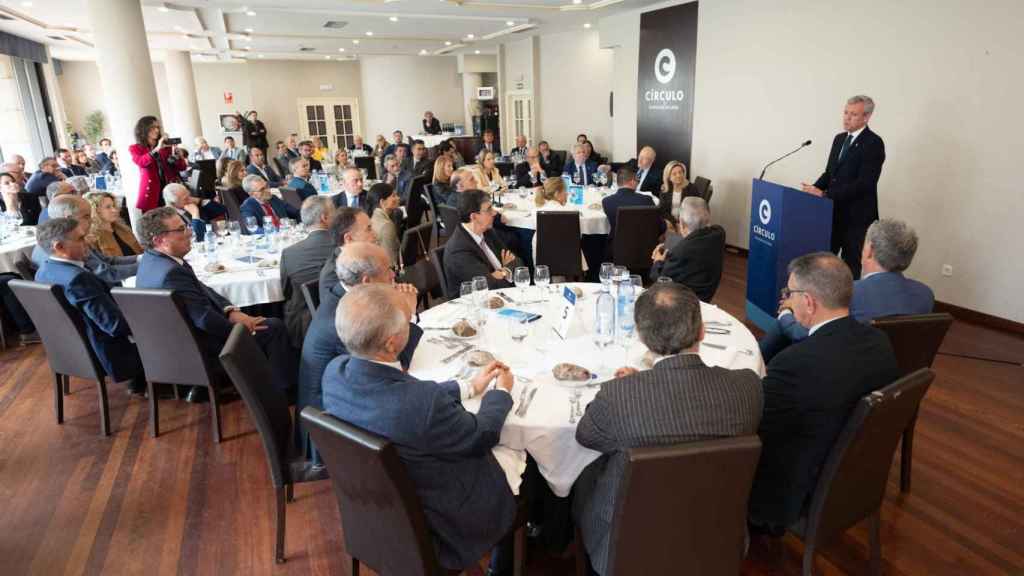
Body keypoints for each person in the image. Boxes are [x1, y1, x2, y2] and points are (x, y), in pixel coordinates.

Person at [322, 282, 516, 573]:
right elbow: (480, 435)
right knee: (520, 455)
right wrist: (501, 394)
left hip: (374, 507)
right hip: (442, 519)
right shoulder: (422, 404)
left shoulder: (335, 373)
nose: (411, 326)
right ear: (391, 343)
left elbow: (397, 393)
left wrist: (467, 386)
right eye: (408, 322)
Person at [573, 282, 762, 575]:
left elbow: (585, 435)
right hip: (718, 534)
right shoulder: (748, 387)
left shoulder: (619, 397)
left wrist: (639, 385)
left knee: (581, 475)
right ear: (702, 331)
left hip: (628, 543)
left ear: (641, 336)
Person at [748, 252, 899, 533]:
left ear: (808, 302)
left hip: (795, 490)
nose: (788, 300)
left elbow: (753, 421)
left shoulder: (795, 364)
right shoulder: (879, 342)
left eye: (790, 293)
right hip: (854, 475)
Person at [134, 206, 296, 401]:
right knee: (274, 327)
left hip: (177, 345)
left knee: (256, 319)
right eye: (180, 230)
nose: (189, 232)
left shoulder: (153, 262)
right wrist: (239, 329)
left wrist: (231, 311)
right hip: (202, 349)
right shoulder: (171, 272)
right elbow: (204, 320)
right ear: (159, 240)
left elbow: (201, 288)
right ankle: (284, 393)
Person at [298, 243, 421, 464]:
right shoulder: (349, 321)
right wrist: (406, 315)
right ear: (367, 281)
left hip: (343, 400)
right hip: (335, 430)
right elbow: (394, 366)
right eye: (388, 270)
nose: (394, 274)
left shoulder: (348, 297)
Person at [758, 218, 934, 361]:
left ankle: (752, 369)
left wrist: (787, 314)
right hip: (890, 376)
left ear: (870, 251)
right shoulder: (926, 295)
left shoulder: (848, 293)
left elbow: (811, 337)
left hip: (837, 371)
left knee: (786, 322)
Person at [34, 217, 146, 394]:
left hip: (72, 350)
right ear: (59, 247)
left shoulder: (43, 271)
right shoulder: (77, 278)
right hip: (109, 352)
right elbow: (114, 326)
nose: (87, 242)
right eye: (80, 239)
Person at [802, 95, 886, 279]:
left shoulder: (873, 143)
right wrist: (812, 190)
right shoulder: (839, 139)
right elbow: (830, 173)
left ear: (866, 117)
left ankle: (852, 306)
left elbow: (865, 183)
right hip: (832, 214)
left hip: (857, 219)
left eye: (853, 114)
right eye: (846, 112)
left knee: (852, 268)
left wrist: (825, 194)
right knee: (823, 262)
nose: (847, 118)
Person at [31, 195, 138, 285]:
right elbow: (108, 274)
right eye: (86, 216)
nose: (91, 220)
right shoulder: (71, 247)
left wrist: (140, 259)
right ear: (69, 218)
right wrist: (146, 266)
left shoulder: (49, 241)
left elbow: (107, 261)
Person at [280, 196, 336, 347]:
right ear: (325, 218)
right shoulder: (343, 247)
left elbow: (285, 292)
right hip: (340, 318)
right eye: (334, 212)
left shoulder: (288, 253)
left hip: (303, 326)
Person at [649, 197, 725, 302]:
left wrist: (657, 261)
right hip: (706, 294)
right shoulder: (719, 233)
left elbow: (661, 280)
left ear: (682, 224)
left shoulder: (682, 252)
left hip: (684, 301)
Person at [443, 189, 516, 295]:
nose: (494, 212)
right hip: (474, 304)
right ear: (473, 217)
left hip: (502, 294)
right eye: (489, 209)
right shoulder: (458, 251)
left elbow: (516, 261)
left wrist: (501, 272)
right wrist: (506, 269)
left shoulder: (487, 231)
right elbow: (489, 286)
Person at [316, 207, 378, 305]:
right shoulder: (332, 276)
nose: (375, 234)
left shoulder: (369, 255)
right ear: (348, 238)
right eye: (369, 229)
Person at [129, 115, 187, 212]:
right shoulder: (136, 148)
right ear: (143, 129)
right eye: (152, 127)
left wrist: (179, 156)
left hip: (169, 191)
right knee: (154, 224)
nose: (156, 130)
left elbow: (182, 167)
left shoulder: (166, 147)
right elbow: (141, 162)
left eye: (157, 127)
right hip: (151, 192)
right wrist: (157, 148)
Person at [601, 165, 656, 236]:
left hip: (616, 244)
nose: (638, 183)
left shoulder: (606, 201)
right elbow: (657, 224)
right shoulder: (646, 199)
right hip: (644, 243)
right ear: (632, 182)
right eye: (637, 180)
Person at [86, 192, 143, 257]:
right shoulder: (93, 238)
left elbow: (140, 251)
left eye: (113, 206)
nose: (114, 210)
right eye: (108, 207)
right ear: (95, 211)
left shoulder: (123, 229)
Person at [366, 182, 401, 267]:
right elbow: (391, 262)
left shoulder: (374, 216)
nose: (398, 198)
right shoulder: (386, 226)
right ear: (382, 202)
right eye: (393, 196)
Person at [23, 157, 64, 225]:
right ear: (44, 167)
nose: (57, 168)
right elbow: (63, 188)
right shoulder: (44, 175)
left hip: (38, 208)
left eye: (57, 165)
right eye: (54, 166)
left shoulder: (38, 173)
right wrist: (63, 177)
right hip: (40, 212)